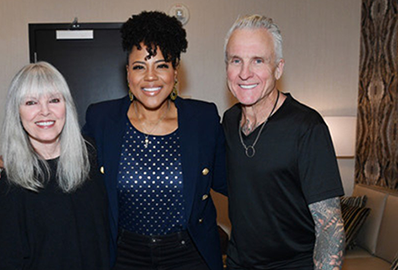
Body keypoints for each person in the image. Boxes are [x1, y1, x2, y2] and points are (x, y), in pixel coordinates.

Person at [83, 11, 227, 270]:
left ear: (175, 72)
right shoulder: (101, 119)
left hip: (189, 255)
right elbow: (69, 171)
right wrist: (21, 165)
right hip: (122, 255)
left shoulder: (203, 120)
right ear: (128, 73)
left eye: (161, 65)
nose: (150, 77)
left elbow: (236, 181)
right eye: (140, 67)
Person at [222, 15, 345, 269]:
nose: (245, 73)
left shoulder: (307, 126)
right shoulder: (229, 120)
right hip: (237, 263)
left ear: (278, 68)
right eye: (236, 61)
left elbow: (330, 229)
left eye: (258, 60)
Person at [0, 62, 110, 270]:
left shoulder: (91, 156)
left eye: (54, 100)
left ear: (66, 106)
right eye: (31, 102)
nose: (45, 111)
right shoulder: (12, 185)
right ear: (17, 112)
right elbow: (6, 261)